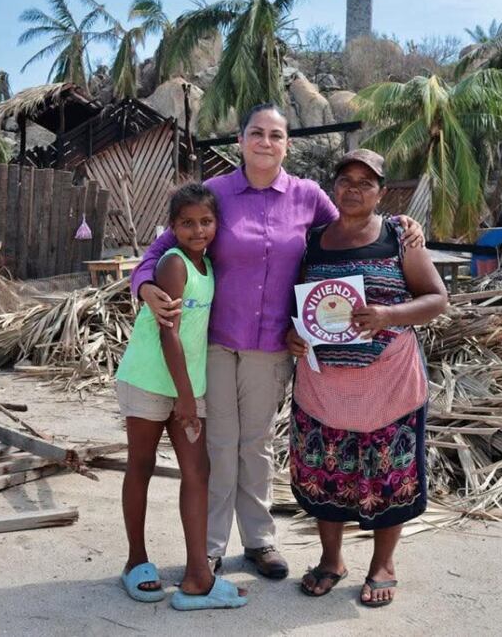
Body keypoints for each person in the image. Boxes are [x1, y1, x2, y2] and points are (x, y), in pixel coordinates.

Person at [132, 104, 426, 580]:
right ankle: (211, 547)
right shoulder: (215, 194)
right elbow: (162, 247)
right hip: (217, 343)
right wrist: (144, 285)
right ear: (240, 140)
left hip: (272, 346)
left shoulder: (307, 196)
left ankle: (259, 541)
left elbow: (353, 222)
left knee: (257, 444)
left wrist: (403, 225)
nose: (265, 142)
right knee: (219, 444)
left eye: (275, 135)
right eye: (256, 133)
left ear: (287, 144)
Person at [286, 149, 448, 607]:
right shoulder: (313, 241)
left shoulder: (399, 238)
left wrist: (389, 314)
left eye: (365, 182)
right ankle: (331, 560)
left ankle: (383, 565)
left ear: (381, 192)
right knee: (326, 472)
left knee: (389, 476)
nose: (353, 189)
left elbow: (437, 299)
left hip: (389, 382)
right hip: (324, 385)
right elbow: (299, 305)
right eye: (345, 180)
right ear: (333, 188)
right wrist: (293, 334)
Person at [115, 183, 247, 610]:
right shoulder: (173, 263)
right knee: (141, 464)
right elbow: (168, 335)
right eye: (187, 223)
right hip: (149, 380)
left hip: (187, 384)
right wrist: (186, 398)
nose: (198, 230)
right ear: (172, 226)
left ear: (217, 224)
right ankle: (136, 561)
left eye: (206, 221)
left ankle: (197, 576)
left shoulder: (206, 265)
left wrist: (188, 394)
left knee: (197, 472)